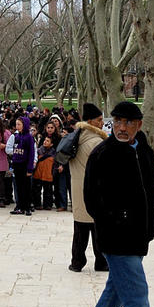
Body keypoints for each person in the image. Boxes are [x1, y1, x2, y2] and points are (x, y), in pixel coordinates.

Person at [77, 101, 154, 307]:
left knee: (116, 290)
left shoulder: (144, 151)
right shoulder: (103, 153)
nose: (122, 128)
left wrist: (153, 219)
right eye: (118, 122)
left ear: (138, 125)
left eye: (128, 122)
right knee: (137, 295)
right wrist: (118, 220)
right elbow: (92, 199)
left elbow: (151, 190)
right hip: (116, 238)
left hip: (140, 235)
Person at [69, 103, 110, 272]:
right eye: (99, 120)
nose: (102, 123)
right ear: (91, 122)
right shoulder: (96, 142)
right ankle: (101, 262)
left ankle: (77, 262)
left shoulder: (76, 138)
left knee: (80, 227)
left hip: (77, 188)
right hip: (94, 189)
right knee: (97, 228)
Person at [10, 116, 35, 215]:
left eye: (19, 124)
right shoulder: (16, 136)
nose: (17, 126)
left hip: (25, 165)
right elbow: (14, 151)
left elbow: (31, 153)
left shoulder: (29, 137)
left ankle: (27, 207)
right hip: (17, 165)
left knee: (26, 187)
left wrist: (29, 169)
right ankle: (20, 206)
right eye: (16, 124)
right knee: (19, 187)